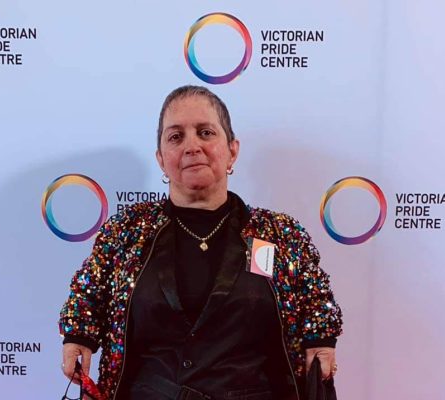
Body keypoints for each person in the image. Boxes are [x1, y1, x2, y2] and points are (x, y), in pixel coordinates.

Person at [59, 85, 343, 400]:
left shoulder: (281, 234)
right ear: (161, 159)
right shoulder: (125, 232)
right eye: (176, 137)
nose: (192, 145)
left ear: (232, 150)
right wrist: (78, 337)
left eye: (205, 133)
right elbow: (87, 296)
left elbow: (317, 304)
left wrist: (322, 341)